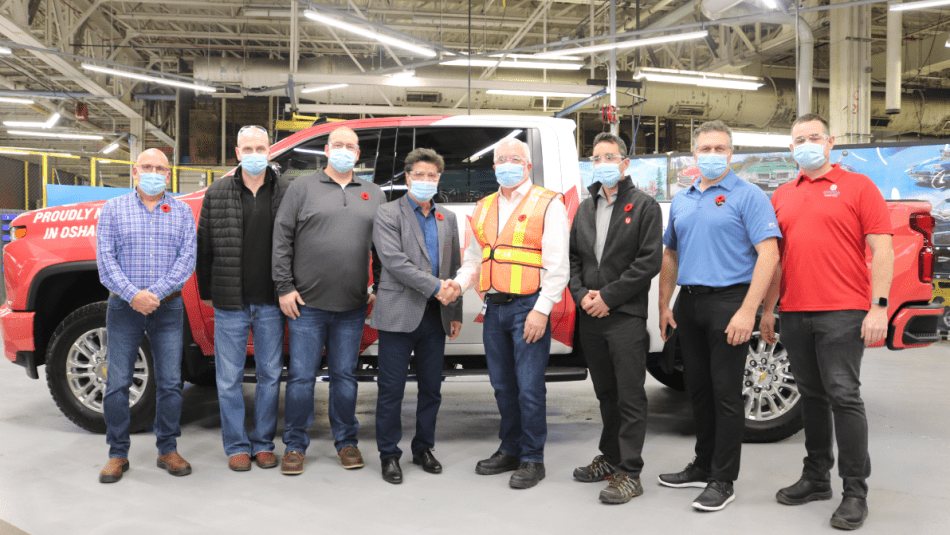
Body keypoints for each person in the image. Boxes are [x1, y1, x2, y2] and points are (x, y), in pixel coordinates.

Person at [760, 113, 892, 531]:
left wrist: (880, 306)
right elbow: (774, 260)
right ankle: (816, 477)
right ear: (791, 147)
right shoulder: (781, 195)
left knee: (844, 395)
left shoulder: (858, 186)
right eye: (799, 139)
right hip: (795, 312)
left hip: (843, 310)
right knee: (811, 397)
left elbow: (882, 249)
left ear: (830, 142)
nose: (806, 144)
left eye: (814, 137)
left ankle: (855, 491)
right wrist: (768, 309)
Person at [657, 120, 780, 511]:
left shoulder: (749, 196)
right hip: (689, 304)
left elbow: (770, 254)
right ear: (694, 154)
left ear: (731, 154)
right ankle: (703, 463)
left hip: (730, 302)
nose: (712, 155)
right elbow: (671, 255)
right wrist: (664, 304)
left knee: (726, 393)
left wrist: (749, 310)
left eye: (720, 149)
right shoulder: (684, 198)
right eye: (705, 149)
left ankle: (723, 479)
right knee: (698, 388)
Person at [451, 138, 570, 490]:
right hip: (494, 309)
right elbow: (474, 257)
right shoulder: (484, 205)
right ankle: (510, 448)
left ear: (527, 165)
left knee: (529, 387)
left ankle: (533, 458)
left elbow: (557, 264)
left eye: (514, 158)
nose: (507, 164)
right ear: (493, 168)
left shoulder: (548, 203)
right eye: (501, 159)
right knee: (503, 386)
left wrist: (541, 310)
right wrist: (458, 284)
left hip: (528, 308)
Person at [272, 126, 384, 475]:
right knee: (302, 377)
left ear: (357, 154)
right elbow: (282, 238)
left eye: (350, 146)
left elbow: (383, 247)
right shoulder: (301, 188)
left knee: (345, 377)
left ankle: (347, 441)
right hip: (306, 305)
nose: (344, 150)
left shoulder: (373, 193)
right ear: (326, 149)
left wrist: (379, 286)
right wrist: (284, 287)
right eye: (338, 145)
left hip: (352, 306)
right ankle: (294, 445)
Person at [568, 132, 663, 504]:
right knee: (605, 393)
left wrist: (608, 297)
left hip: (624, 316)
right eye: (596, 157)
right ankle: (610, 459)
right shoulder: (585, 207)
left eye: (610, 156)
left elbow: (648, 262)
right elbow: (575, 259)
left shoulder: (644, 206)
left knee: (629, 396)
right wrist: (581, 296)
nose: (603, 163)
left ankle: (631, 472)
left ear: (625, 163)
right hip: (591, 316)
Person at [95, 148, 197, 483]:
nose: (154, 173)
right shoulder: (113, 210)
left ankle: (167, 448)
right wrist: (134, 295)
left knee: (170, 382)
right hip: (123, 307)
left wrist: (156, 294)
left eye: (161, 168)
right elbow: (106, 262)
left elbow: (187, 260)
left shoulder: (181, 212)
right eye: (147, 167)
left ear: (169, 175)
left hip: (167, 307)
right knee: (118, 383)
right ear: (135, 172)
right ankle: (117, 453)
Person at [197, 125, 290, 472]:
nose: (254, 154)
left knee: (269, 375)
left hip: (271, 301)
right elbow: (204, 246)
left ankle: (264, 443)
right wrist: (208, 292)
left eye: (260, 148)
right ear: (237, 153)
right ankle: (236, 444)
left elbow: (295, 244)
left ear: (270, 151)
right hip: (230, 302)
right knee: (228, 378)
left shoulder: (286, 191)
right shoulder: (217, 192)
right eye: (247, 149)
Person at [371, 148, 463, 484]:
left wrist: (453, 310)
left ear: (439, 179)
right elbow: (394, 262)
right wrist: (437, 287)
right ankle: (389, 454)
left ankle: (423, 447)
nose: (426, 181)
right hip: (398, 314)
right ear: (407, 177)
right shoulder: (387, 213)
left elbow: (453, 266)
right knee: (391, 389)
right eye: (419, 175)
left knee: (431, 389)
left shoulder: (447, 218)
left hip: (435, 318)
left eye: (432, 176)